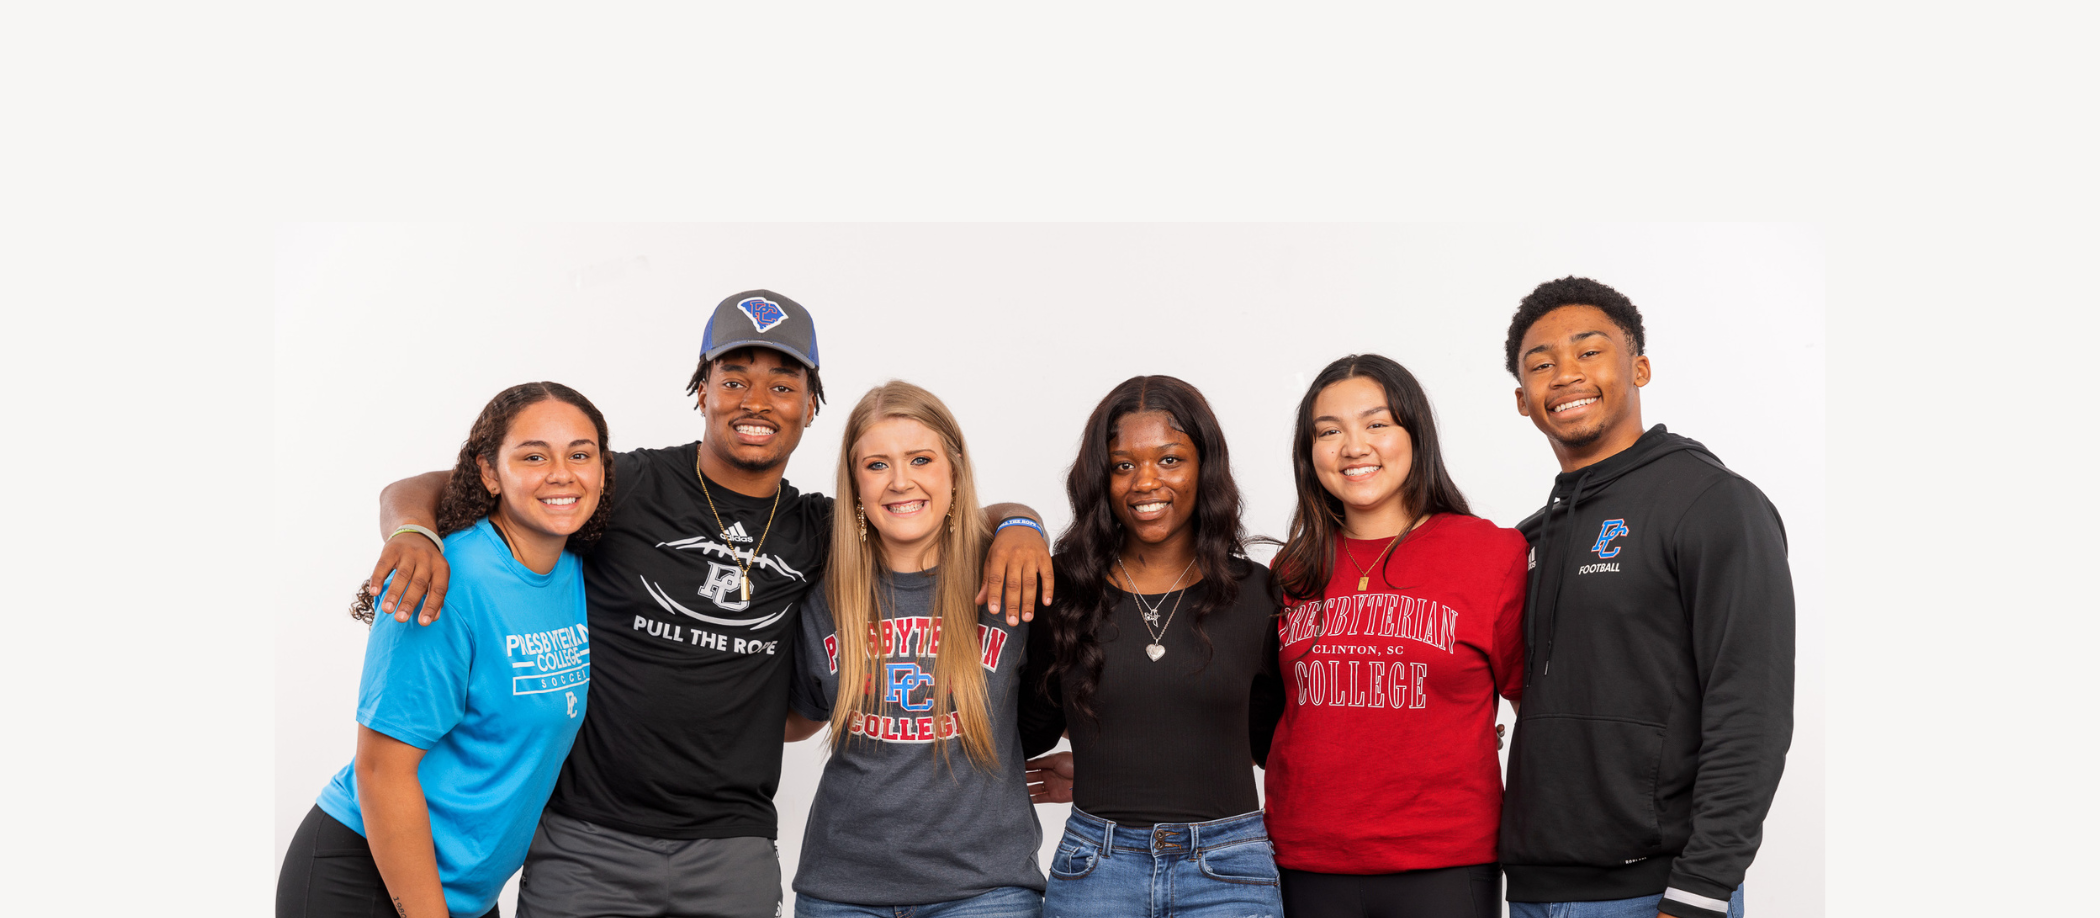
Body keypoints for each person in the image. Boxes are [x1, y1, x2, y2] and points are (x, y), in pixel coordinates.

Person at [357, 291, 1054, 918]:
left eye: (783, 384)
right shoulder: (620, 484)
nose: (757, 399)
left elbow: (918, 510)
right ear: (701, 391)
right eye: (734, 379)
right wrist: (415, 530)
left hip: (733, 848)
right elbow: (435, 484)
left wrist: (1021, 524)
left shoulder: (822, 529)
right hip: (588, 840)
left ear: (811, 406)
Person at [1499, 277, 1792, 918]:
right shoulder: (1527, 539)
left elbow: (1751, 709)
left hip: (1655, 893)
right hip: (1532, 891)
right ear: (1523, 400)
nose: (1566, 375)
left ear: (1640, 367)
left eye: (1588, 351)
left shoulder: (1713, 503)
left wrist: (1702, 887)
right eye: (1541, 364)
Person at [277, 381, 613, 918]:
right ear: (488, 472)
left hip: (467, 894)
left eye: (580, 454)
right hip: (367, 876)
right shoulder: (445, 581)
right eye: (533, 456)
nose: (562, 473)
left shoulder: (576, 568)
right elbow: (383, 771)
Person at [1261, 354, 1529, 918]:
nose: (1353, 446)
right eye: (1328, 432)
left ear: (1416, 433)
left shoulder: (1490, 554)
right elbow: (1265, 713)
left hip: (1445, 862)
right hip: (1305, 860)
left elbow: (1537, 702)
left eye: (1376, 423)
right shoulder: (1291, 569)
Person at [1019, 375, 1287, 918]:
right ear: (1102, 477)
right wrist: (1011, 522)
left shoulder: (1258, 593)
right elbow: (1028, 728)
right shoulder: (1062, 591)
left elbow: (1273, 743)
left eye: (1169, 460)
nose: (1145, 482)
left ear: (1203, 466)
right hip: (1096, 866)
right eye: (1123, 465)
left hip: (1229, 869)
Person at [782, 381, 1046, 918]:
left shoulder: (1010, 579)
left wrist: (1021, 521)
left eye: (920, 459)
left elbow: (1094, 703)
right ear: (854, 484)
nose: (901, 481)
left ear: (953, 469)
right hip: (841, 892)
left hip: (986, 890)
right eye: (876, 465)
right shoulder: (821, 590)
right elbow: (800, 719)